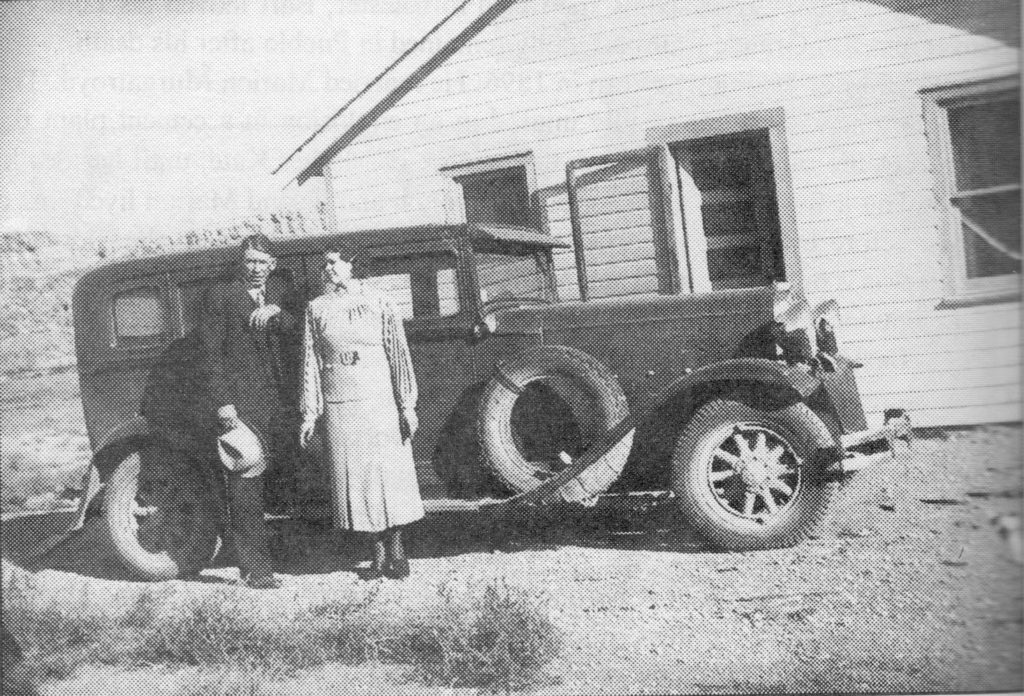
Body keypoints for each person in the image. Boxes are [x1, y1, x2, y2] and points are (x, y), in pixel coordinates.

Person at [299, 249, 424, 580]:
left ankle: (397, 550)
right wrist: (310, 413)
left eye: (334, 261)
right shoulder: (316, 308)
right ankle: (376, 554)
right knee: (357, 480)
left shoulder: (379, 300)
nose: (328, 268)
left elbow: (398, 352)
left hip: (379, 400)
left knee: (388, 475)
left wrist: (406, 405)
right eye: (324, 263)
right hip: (341, 405)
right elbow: (311, 362)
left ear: (352, 264)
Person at [198, 233, 300, 589]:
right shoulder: (220, 296)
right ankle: (256, 570)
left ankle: (293, 556)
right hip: (243, 406)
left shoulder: (282, 292)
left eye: (263, 262)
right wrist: (224, 404)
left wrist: (280, 313)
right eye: (250, 261)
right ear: (241, 263)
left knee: (291, 477)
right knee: (246, 482)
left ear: (272, 265)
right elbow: (209, 354)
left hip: (285, 403)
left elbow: (302, 329)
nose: (256, 268)